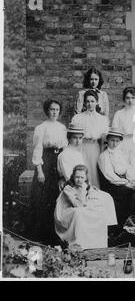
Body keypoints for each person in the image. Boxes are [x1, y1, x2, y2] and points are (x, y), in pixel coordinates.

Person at [29, 99, 68, 244]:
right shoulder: (41, 128)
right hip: (46, 161)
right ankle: (42, 235)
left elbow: (65, 148)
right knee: (44, 197)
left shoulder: (62, 127)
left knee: (57, 196)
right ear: (47, 110)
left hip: (58, 161)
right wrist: (39, 171)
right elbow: (38, 149)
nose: (54, 112)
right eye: (52, 109)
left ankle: (56, 234)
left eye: (57, 110)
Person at [54, 165, 117, 250]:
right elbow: (78, 204)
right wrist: (83, 190)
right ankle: (79, 243)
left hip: (77, 208)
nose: (79, 180)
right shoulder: (68, 188)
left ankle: (94, 244)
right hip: (65, 213)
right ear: (73, 177)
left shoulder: (86, 186)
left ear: (85, 178)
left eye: (81, 177)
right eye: (77, 177)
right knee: (79, 213)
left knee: (96, 211)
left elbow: (91, 197)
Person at [98, 128, 135, 227]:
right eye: (112, 140)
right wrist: (126, 183)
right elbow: (110, 176)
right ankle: (124, 223)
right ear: (107, 140)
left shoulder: (121, 154)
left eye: (117, 141)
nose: (114, 143)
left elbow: (127, 169)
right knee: (129, 192)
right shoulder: (104, 156)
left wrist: (133, 181)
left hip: (123, 181)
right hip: (112, 185)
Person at [71, 90, 109, 188]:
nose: (90, 104)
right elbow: (73, 136)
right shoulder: (78, 118)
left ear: (97, 102)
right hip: (81, 147)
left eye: (92, 101)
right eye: (87, 101)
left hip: (95, 148)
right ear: (84, 103)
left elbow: (104, 138)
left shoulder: (102, 119)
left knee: (94, 173)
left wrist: (101, 153)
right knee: (82, 171)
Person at [57, 123, 85, 189]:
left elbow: (83, 173)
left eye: (80, 138)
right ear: (69, 139)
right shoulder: (64, 155)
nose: (78, 141)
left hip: (80, 184)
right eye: (75, 138)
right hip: (69, 186)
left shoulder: (79, 154)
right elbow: (68, 177)